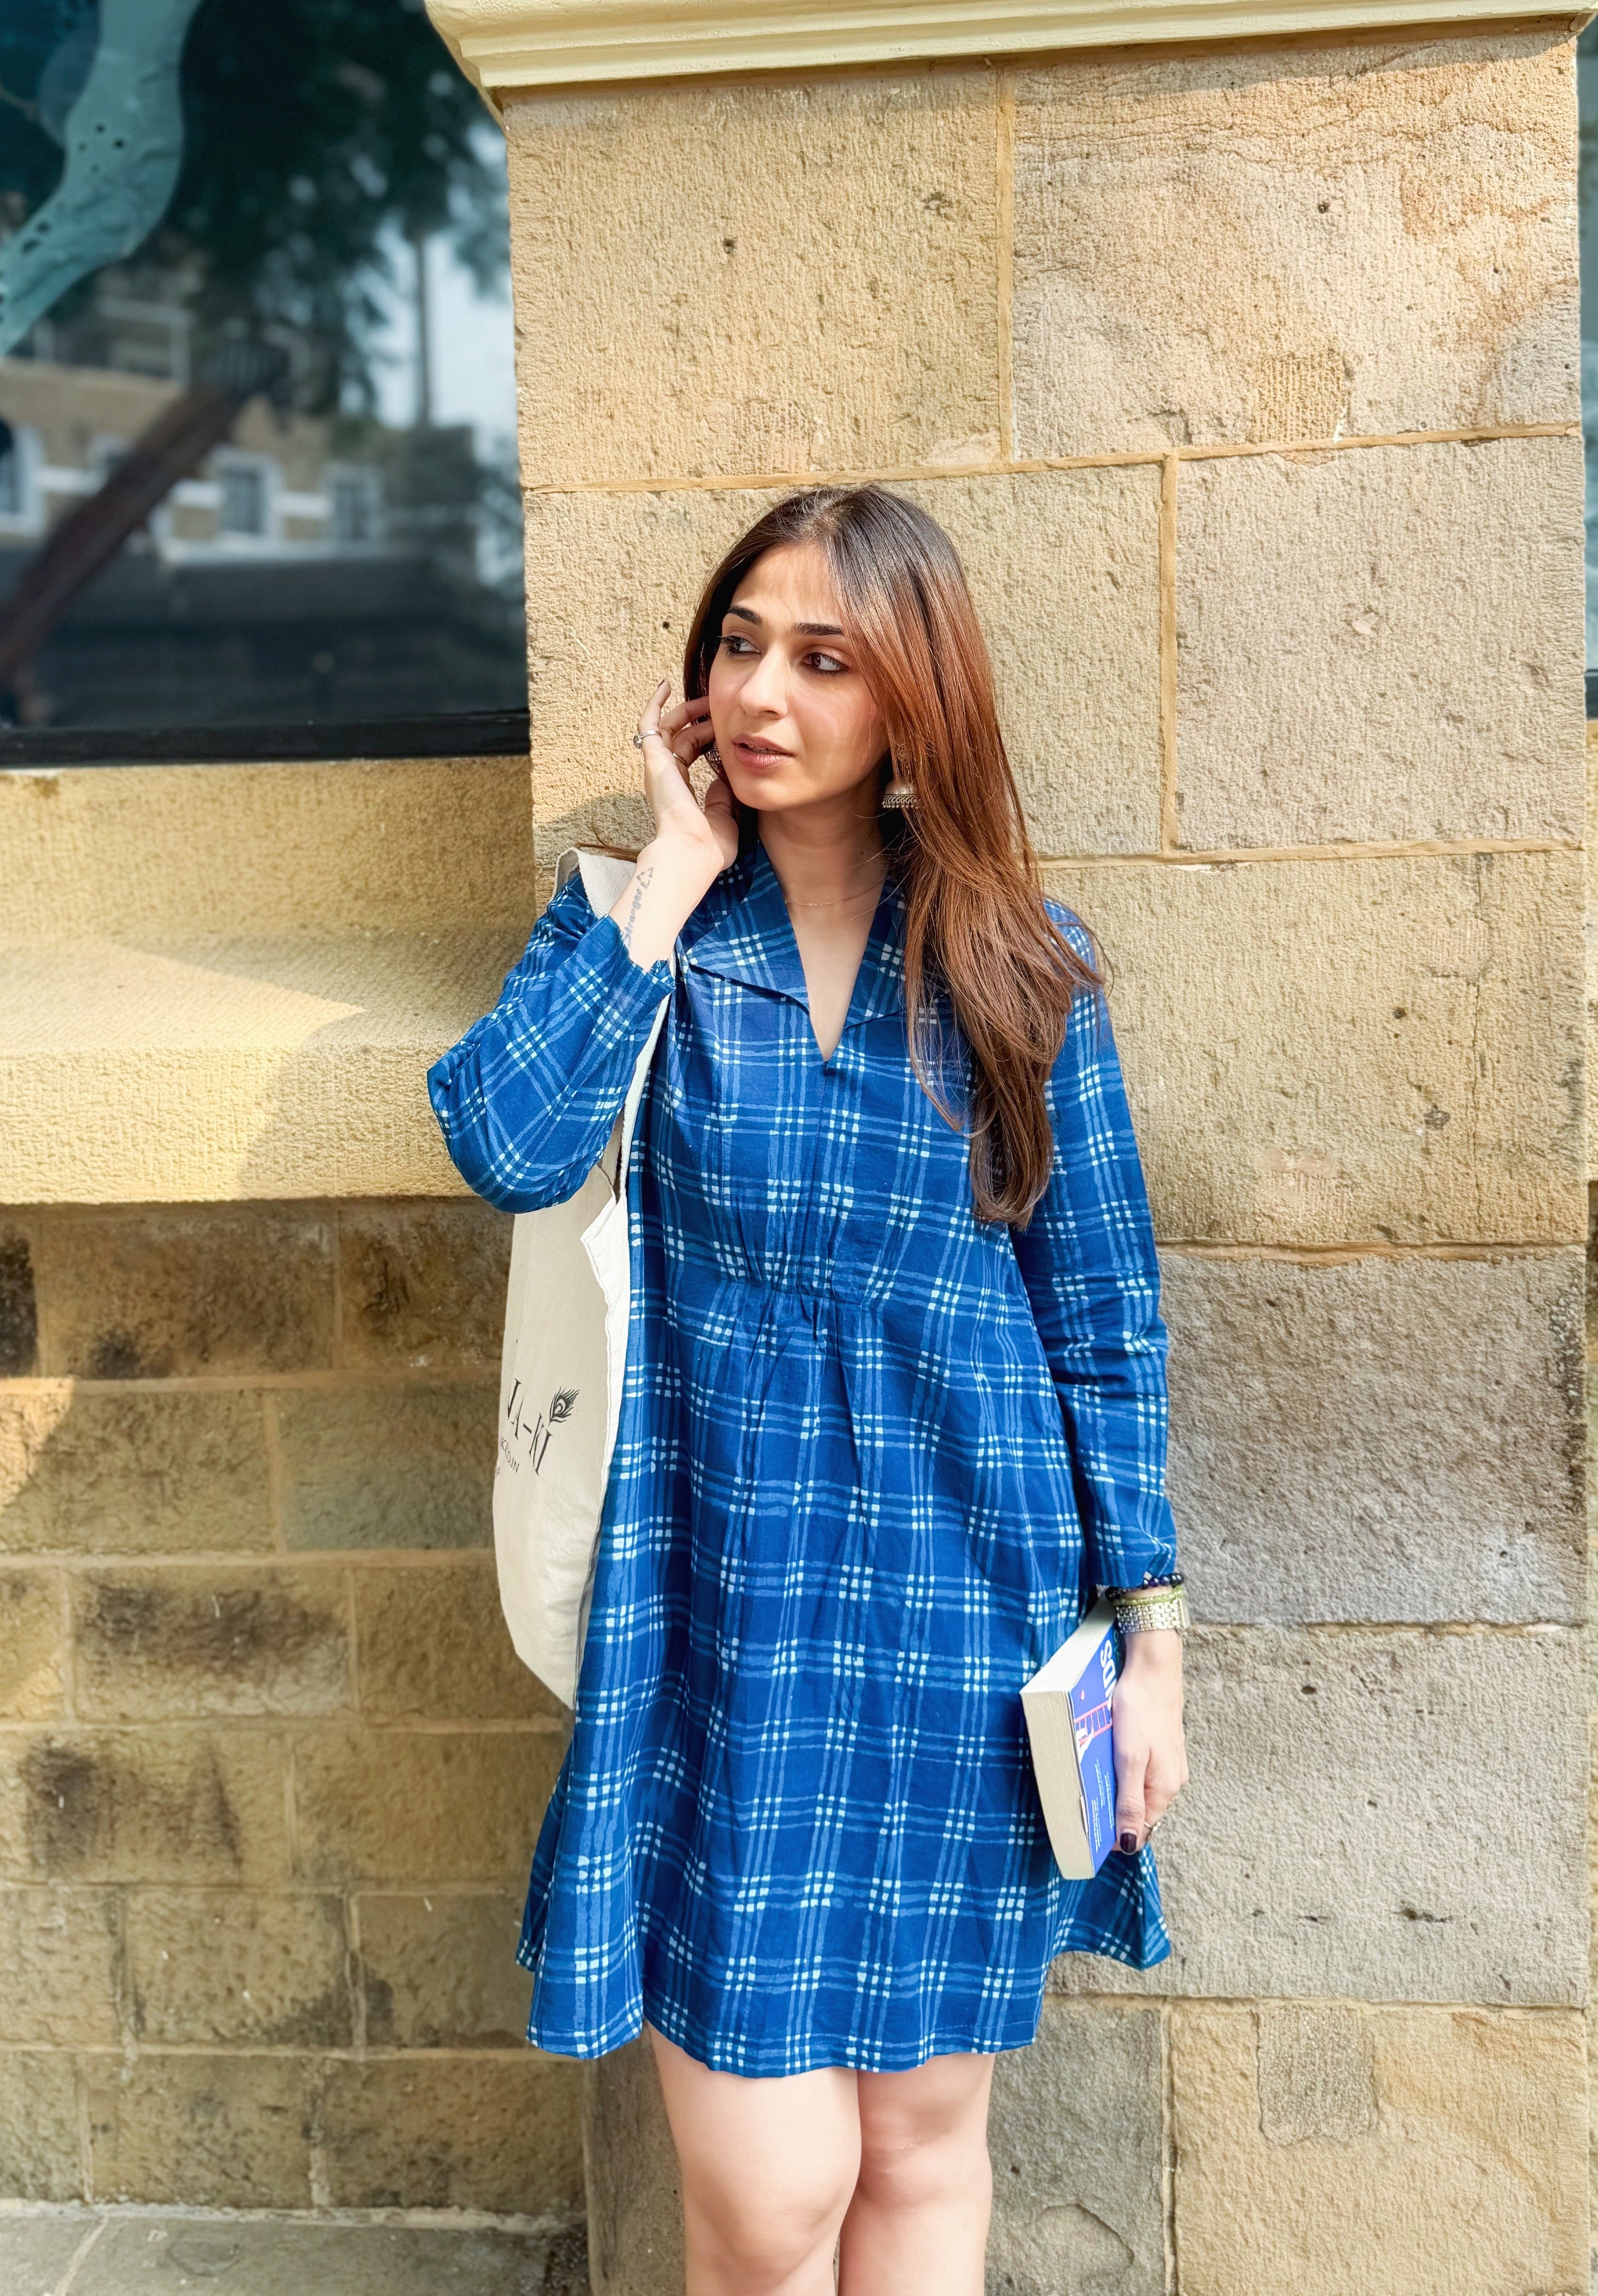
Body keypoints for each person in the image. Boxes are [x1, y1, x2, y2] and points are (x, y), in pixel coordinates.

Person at [428, 484, 1188, 2296]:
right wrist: (670, 878)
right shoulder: (637, 934)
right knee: (770, 2201)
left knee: (926, 2154)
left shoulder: (1021, 969)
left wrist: (1150, 1639)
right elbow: (506, 1142)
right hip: (726, 1631)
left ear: (912, 699)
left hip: (973, 1634)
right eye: (741, 644)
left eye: (825, 657)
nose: (765, 690)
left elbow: (1103, 1320)